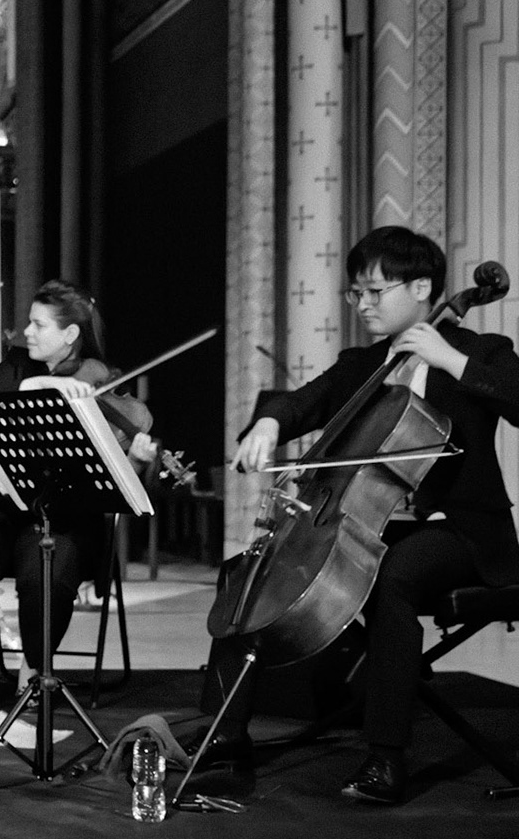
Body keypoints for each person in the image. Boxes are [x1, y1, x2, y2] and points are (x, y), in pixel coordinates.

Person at [204, 226, 519, 804]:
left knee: (390, 575)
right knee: (247, 570)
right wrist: (269, 422)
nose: (363, 304)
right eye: (356, 293)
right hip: (376, 524)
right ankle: (224, 735)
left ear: (421, 287)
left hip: (463, 531)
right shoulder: (365, 364)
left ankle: (386, 757)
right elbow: (303, 401)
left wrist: (450, 360)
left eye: (375, 291)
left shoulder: (483, 351)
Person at [0, 279, 156, 711]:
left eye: (38, 325)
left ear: (70, 335)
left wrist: (138, 460)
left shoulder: (98, 383)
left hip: (62, 513)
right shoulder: (17, 367)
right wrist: (38, 387)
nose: (26, 332)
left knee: (45, 570)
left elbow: (119, 485)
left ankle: (34, 670)